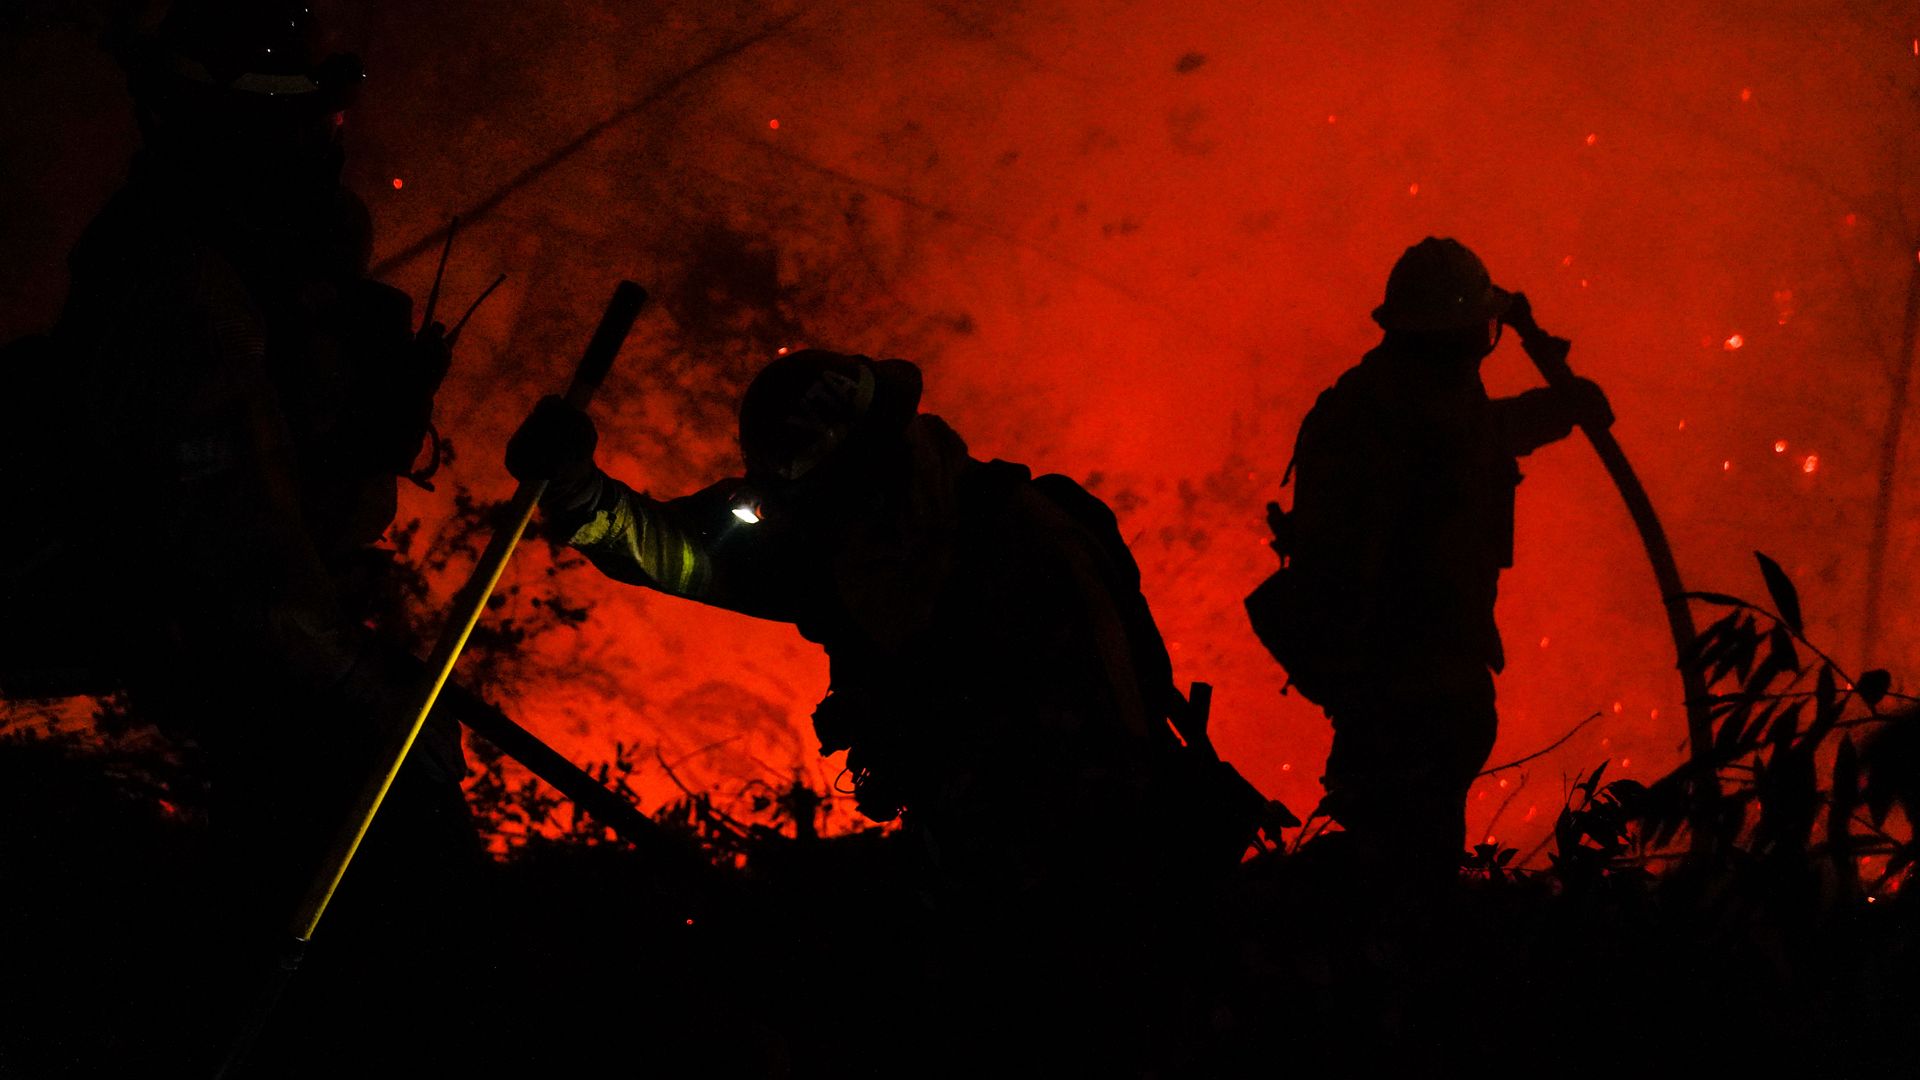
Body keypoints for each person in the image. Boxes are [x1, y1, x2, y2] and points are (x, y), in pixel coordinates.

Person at [28, 2, 477, 1067]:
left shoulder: (260, 275)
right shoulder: (183, 286)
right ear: (220, 131)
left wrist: (366, 439)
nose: (321, 146)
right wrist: (367, 692)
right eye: (294, 122)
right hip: (245, 666)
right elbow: (240, 550)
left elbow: (292, 511)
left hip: (269, 656)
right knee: (371, 928)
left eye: (324, 120)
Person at [508, 350, 1262, 899]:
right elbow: (681, 551)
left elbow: (1107, 727)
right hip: (994, 866)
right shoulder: (841, 549)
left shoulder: (1023, 540)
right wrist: (578, 491)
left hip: (1101, 872)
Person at [1257, 237, 1611, 879]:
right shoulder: (1400, 416)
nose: (1481, 349)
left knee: (1398, 863)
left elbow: (1473, 437)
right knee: (1403, 875)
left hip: (1404, 684)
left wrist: (1557, 407)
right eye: (1477, 334)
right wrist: (1560, 404)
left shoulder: (1398, 401)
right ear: (1454, 337)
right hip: (1405, 686)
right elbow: (1457, 452)